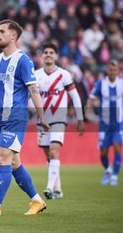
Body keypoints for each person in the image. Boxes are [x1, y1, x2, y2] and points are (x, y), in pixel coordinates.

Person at [0, 19, 49, 217]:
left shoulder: (23, 60)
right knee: (14, 163)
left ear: (13, 36)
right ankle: (37, 200)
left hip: (16, 116)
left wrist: (42, 116)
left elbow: (33, 89)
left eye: (2, 31)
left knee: (3, 158)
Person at [35, 43, 85, 199]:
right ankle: (58, 189)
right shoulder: (35, 75)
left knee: (54, 151)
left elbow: (75, 96)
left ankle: (49, 188)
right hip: (42, 120)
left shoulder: (64, 75)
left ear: (56, 56)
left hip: (58, 119)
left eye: (51, 52)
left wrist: (80, 118)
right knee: (48, 154)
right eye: (46, 52)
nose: (48, 55)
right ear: (42, 56)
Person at [86, 60, 122, 186]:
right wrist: (88, 108)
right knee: (103, 152)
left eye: (115, 70)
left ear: (118, 71)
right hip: (104, 124)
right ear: (107, 70)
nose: (112, 72)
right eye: (110, 70)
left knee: (118, 147)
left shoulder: (121, 83)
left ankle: (115, 177)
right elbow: (91, 97)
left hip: (118, 123)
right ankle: (107, 170)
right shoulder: (101, 83)